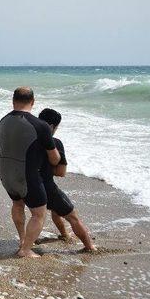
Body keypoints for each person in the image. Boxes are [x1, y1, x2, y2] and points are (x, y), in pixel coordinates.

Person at [0, 87, 61, 258]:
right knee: (38, 213)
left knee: (18, 204)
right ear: (33, 102)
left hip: (5, 172)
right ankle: (25, 250)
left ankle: (22, 240)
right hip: (26, 175)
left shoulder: (3, 120)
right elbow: (54, 159)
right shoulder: (40, 125)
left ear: (13, 100)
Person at [38, 108, 97, 252]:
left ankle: (64, 234)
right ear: (52, 126)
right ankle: (90, 247)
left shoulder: (29, 139)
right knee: (72, 216)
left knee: (55, 209)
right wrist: (47, 168)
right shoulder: (55, 143)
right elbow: (61, 172)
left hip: (27, 185)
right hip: (46, 185)